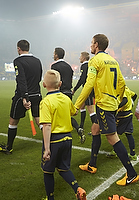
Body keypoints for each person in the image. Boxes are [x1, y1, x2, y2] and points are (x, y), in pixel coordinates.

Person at [74, 34, 139, 186]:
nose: (90, 46)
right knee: (95, 129)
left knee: (112, 138)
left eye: (91, 43)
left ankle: (132, 173)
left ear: (96, 44)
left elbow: (89, 84)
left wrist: (77, 105)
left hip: (104, 104)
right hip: (110, 102)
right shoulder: (113, 60)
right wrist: (117, 99)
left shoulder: (95, 60)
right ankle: (92, 164)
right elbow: (122, 83)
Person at [40, 70, 86, 200]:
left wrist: (47, 149)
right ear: (60, 84)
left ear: (44, 85)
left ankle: (50, 198)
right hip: (67, 139)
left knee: (48, 171)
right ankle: (77, 188)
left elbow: (47, 126)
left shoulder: (46, 102)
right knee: (63, 168)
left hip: (54, 141)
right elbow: (74, 112)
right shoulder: (66, 99)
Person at [0, 40, 42, 154]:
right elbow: (39, 77)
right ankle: (53, 140)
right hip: (37, 94)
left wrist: (24, 97)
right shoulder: (37, 60)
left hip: (22, 96)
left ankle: (8, 147)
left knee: (13, 121)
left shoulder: (18, 61)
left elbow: (21, 79)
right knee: (39, 119)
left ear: (19, 48)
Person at [51, 47, 86, 143]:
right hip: (68, 92)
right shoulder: (68, 66)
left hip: (59, 92)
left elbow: (54, 81)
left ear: (57, 55)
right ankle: (78, 128)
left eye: (54, 53)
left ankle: (56, 133)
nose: (53, 55)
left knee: (56, 114)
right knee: (65, 114)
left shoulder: (54, 66)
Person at [106, 86, 138, 161]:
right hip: (129, 113)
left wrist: (117, 107)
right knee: (128, 133)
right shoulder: (126, 88)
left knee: (114, 133)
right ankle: (133, 154)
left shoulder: (120, 89)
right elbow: (135, 95)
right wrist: (131, 103)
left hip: (122, 115)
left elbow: (125, 100)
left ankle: (115, 151)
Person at [72, 52, 97, 129]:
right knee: (82, 107)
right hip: (91, 88)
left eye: (80, 56)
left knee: (91, 110)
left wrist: (75, 89)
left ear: (84, 58)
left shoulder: (84, 65)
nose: (79, 58)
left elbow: (82, 79)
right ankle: (81, 126)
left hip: (88, 89)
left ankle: (96, 128)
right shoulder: (90, 65)